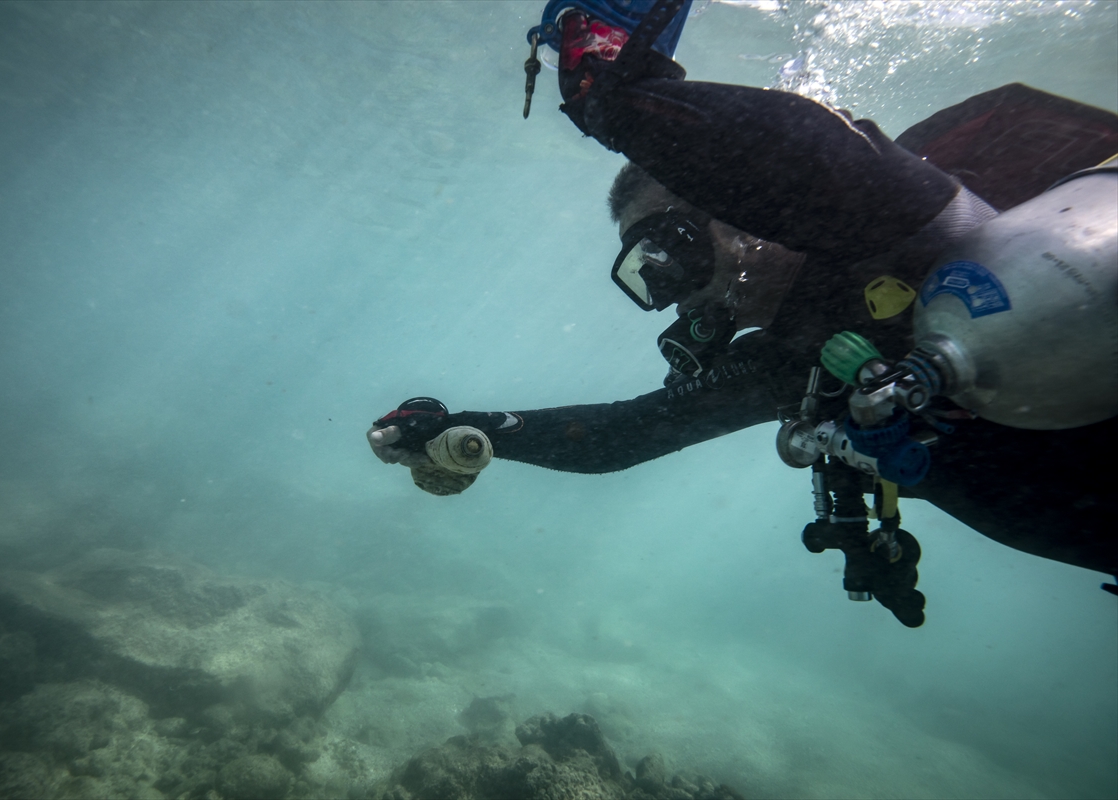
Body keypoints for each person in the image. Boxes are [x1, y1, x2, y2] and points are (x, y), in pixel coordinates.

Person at [369, 0, 1118, 625]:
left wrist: (613, 99)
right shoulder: (789, 364)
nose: (674, 287)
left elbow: (811, 151)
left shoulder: (892, 227)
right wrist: (474, 428)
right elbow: (623, 436)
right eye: (646, 273)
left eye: (672, 247)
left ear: (743, 212)